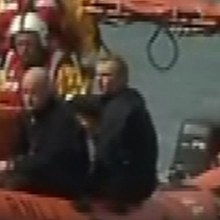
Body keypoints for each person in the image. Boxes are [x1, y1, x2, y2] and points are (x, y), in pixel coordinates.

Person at [66, 53, 159, 206]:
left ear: (122, 79)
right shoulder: (120, 98)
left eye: (106, 76)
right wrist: (68, 99)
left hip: (129, 186)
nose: (99, 80)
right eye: (98, 75)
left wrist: (89, 131)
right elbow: (91, 102)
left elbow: (106, 150)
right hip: (136, 179)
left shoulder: (123, 109)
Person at [0, 68, 91, 199]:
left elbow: (50, 159)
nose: (28, 99)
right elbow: (20, 148)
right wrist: (10, 165)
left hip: (62, 180)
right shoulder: (27, 115)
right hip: (39, 171)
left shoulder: (62, 119)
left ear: (47, 91)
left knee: (14, 183)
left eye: (34, 93)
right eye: (25, 92)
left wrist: (14, 165)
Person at [0, 12, 90, 107]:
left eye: (29, 44)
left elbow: (77, 105)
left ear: (41, 44)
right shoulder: (7, 73)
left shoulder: (62, 72)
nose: (24, 50)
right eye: (20, 44)